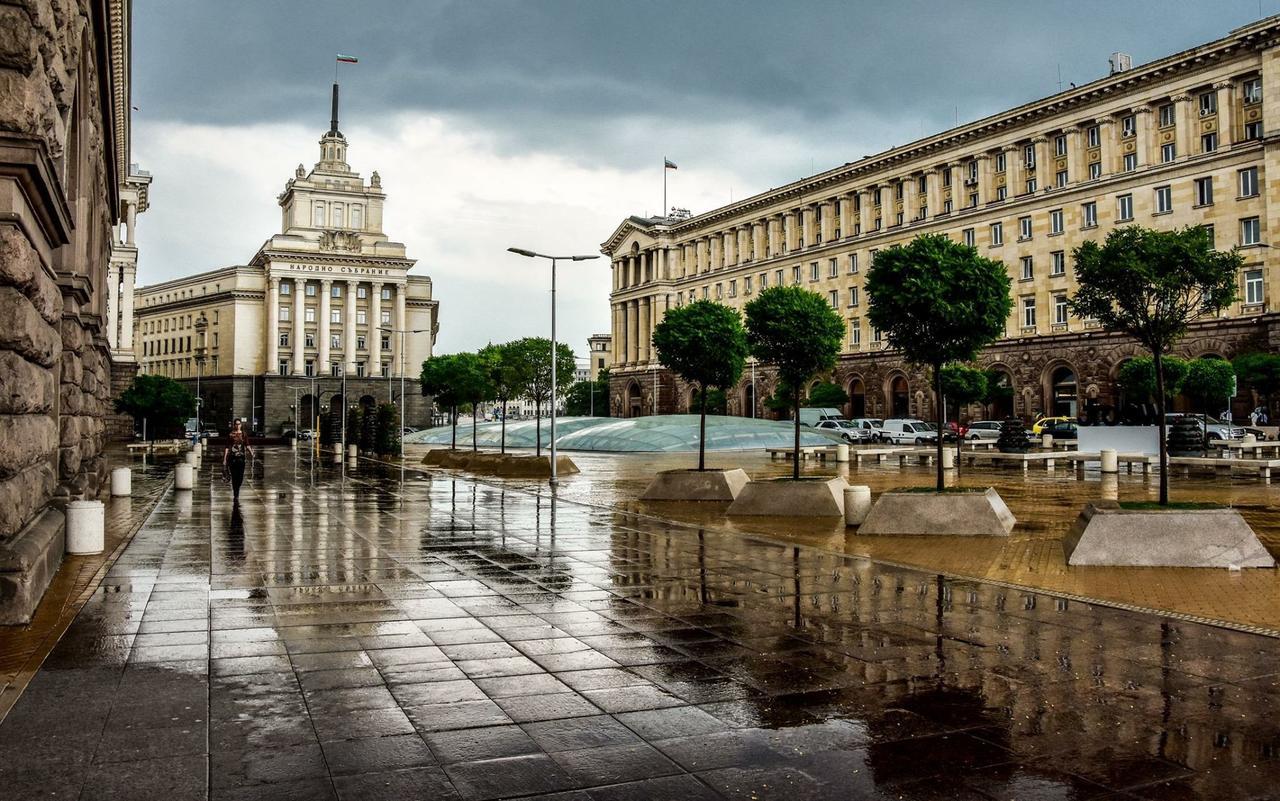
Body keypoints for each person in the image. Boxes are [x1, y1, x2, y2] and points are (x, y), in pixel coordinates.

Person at [222, 418, 254, 502]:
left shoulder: (244, 434)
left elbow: (247, 445)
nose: (238, 425)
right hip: (232, 459)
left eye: (239, 424)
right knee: (234, 476)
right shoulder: (230, 435)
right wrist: (225, 459)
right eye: (236, 424)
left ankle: (237, 489)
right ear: (234, 425)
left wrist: (251, 453)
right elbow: (227, 447)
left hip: (241, 459)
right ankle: (236, 494)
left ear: (241, 425)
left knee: (240, 477)